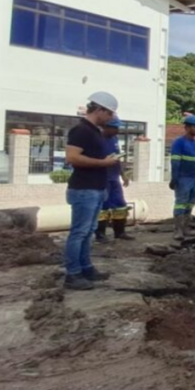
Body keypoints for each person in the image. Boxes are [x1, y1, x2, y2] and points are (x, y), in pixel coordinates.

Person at [62, 92, 121, 291]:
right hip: (83, 189)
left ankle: (86, 267)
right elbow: (72, 158)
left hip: (95, 188)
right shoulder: (81, 131)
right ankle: (73, 274)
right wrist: (103, 163)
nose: (111, 117)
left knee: (88, 232)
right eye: (110, 113)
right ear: (99, 109)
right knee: (79, 232)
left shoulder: (94, 131)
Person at [95, 117, 135, 242]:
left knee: (120, 205)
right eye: (115, 128)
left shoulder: (114, 139)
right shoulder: (97, 140)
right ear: (106, 127)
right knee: (103, 206)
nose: (117, 130)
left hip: (114, 177)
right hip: (102, 177)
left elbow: (118, 158)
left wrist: (123, 174)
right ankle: (100, 234)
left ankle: (120, 232)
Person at [171, 115, 195, 240]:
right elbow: (175, 161)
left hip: (194, 178)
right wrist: (174, 178)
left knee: (190, 203)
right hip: (183, 178)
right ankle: (178, 230)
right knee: (181, 204)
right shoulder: (179, 143)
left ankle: (185, 228)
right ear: (187, 127)